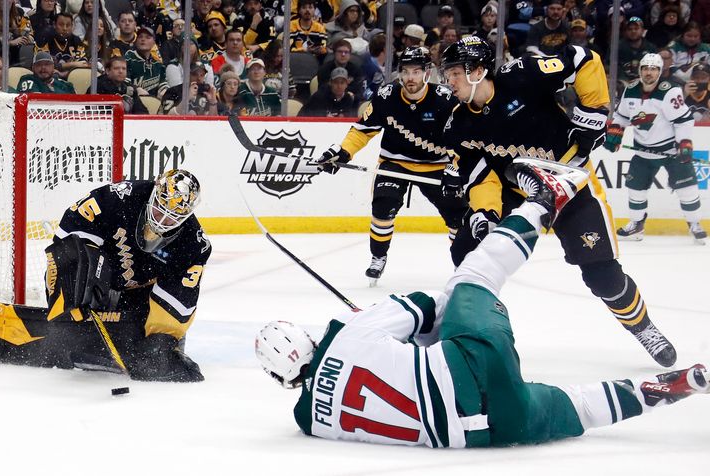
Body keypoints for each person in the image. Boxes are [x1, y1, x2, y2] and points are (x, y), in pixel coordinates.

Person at [255, 158, 710, 449]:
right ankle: (545, 200)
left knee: (579, 407)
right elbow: (431, 306)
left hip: (487, 431)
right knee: (467, 280)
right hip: (470, 360)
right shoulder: (345, 332)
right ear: (307, 337)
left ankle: (677, 386)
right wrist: (378, 322)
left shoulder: (307, 420)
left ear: (280, 378)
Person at [440, 36, 677, 367]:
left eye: (453, 73)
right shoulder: (458, 122)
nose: (447, 82)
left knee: (602, 275)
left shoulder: (521, 74)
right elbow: (481, 176)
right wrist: (484, 212)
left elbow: (582, 57)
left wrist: (593, 112)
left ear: (478, 70)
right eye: (446, 74)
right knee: (465, 248)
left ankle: (643, 327)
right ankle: (469, 334)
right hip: (519, 192)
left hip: (568, 181)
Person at [0, 169, 211, 383]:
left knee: (151, 347)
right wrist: (72, 283)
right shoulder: (121, 197)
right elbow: (72, 229)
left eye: (173, 218)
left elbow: (178, 301)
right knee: (75, 271)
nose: (163, 221)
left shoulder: (194, 245)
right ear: (155, 194)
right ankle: (75, 309)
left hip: (135, 295)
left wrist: (162, 340)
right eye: (159, 211)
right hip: (98, 280)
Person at [316, 47, 467, 286]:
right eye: (405, 72)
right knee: (382, 207)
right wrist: (342, 152)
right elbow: (363, 130)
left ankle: (465, 263)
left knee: (458, 215)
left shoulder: (445, 99)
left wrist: (456, 168)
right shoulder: (387, 96)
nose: (410, 78)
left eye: (416, 72)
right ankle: (378, 257)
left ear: (427, 74)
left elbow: (462, 138)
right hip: (394, 163)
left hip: (436, 166)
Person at [606, 53, 705, 244]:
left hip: (670, 151)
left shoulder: (670, 92)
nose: (648, 72)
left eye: (653, 69)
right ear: (640, 70)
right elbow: (621, 117)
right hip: (643, 151)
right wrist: (615, 134)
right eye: (645, 68)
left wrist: (684, 143)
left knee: (687, 189)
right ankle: (637, 224)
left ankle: (694, 224)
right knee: (635, 189)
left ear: (660, 71)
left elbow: (683, 120)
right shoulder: (631, 90)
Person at [38, 12, 89, 77]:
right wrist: (72, 64)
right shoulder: (45, 39)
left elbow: (83, 64)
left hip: (71, 77)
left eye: (68, 25)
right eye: (61, 25)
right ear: (54, 25)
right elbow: (43, 65)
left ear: (72, 26)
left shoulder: (76, 40)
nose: (65, 28)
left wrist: (63, 73)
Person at [125, 26, 167, 98]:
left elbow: (163, 83)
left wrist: (164, 91)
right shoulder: (129, 59)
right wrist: (136, 89)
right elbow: (123, 83)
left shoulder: (158, 64)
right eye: (140, 37)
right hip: (133, 103)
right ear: (136, 41)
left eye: (147, 37)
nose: (143, 39)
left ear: (154, 42)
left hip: (154, 104)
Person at [618, 17, 658, 83]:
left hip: (645, 82)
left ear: (642, 30)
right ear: (626, 32)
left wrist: (641, 80)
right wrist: (623, 79)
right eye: (630, 29)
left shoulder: (651, 48)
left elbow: (656, 68)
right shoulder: (618, 46)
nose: (633, 31)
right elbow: (609, 65)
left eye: (636, 28)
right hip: (622, 82)